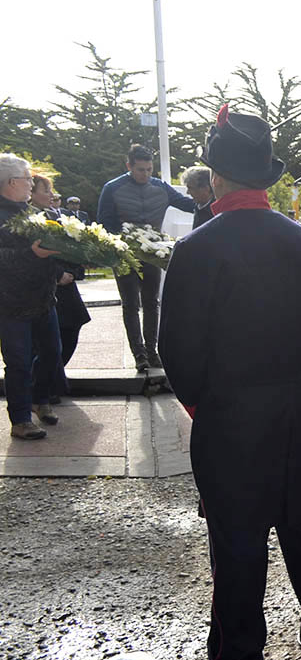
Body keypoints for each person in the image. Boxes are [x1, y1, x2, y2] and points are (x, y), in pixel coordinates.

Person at [159, 104, 301, 660]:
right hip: (300, 406)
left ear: (216, 177)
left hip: (231, 412)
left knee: (238, 541)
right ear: (265, 176)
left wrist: (206, 407)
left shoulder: (196, 249)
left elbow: (178, 352)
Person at [97, 144, 195, 372]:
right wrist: (121, 242)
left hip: (152, 252)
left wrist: (212, 200)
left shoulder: (161, 187)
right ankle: (138, 354)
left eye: (149, 169)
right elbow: (104, 221)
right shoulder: (112, 188)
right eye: (141, 170)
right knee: (130, 304)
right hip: (123, 253)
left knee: (152, 302)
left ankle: (152, 351)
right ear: (128, 165)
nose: (146, 174)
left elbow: (188, 205)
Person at [0, 155, 62, 440]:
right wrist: (31, 254)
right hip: (10, 302)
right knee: (19, 361)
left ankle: (40, 399)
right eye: (28, 179)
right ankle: (21, 419)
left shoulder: (34, 212)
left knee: (52, 353)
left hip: (43, 298)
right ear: (12, 182)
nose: (31, 184)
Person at [30, 175, 89, 401]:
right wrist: (57, 275)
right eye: (46, 190)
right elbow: (34, 254)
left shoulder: (56, 214)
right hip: (49, 284)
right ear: (32, 194)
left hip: (67, 281)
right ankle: (44, 385)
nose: (51, 195)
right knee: (47, 341)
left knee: (72, 327)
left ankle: (50, 379)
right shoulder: (29, 219)